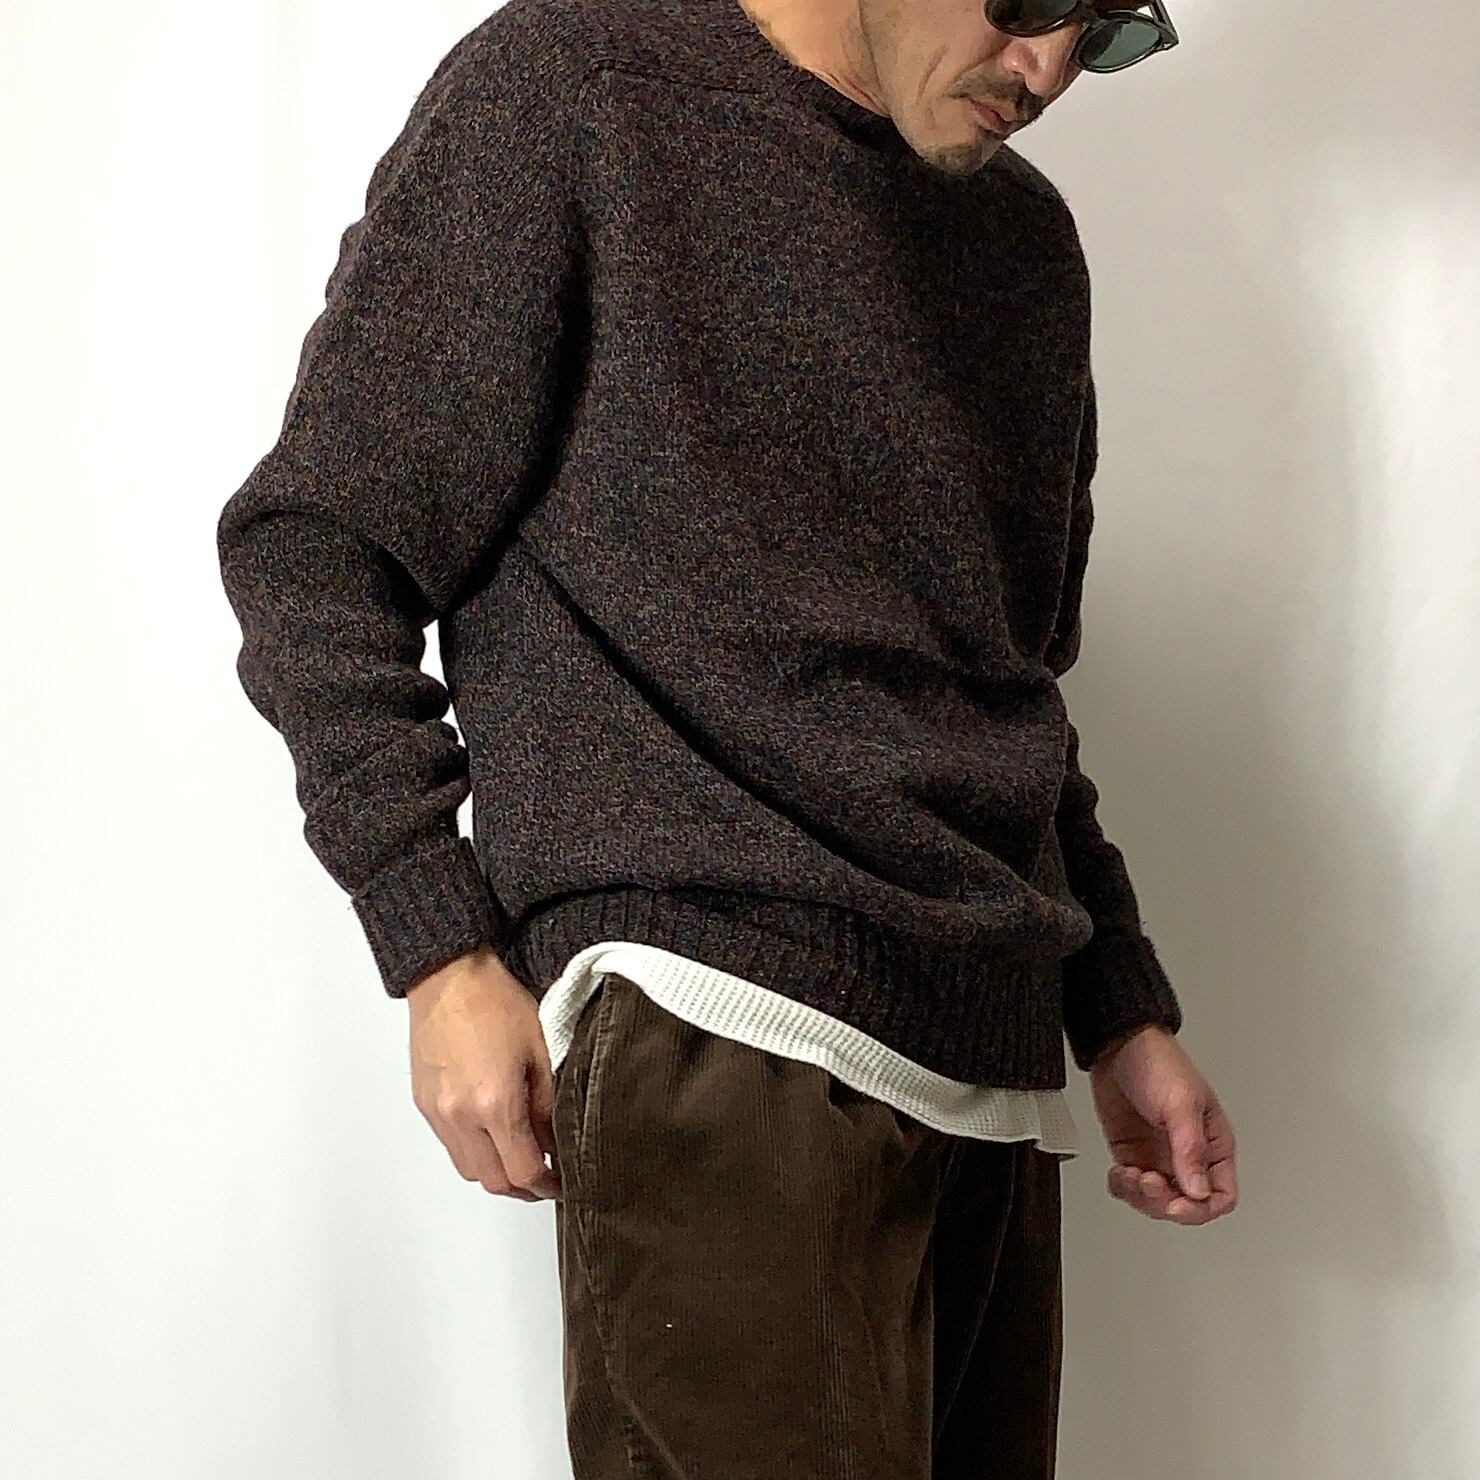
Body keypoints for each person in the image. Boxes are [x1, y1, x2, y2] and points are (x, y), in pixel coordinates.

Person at [216, 0, 1237, 1473]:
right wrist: (438, 946)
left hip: (996, 1084)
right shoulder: (575, 95)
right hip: (724, 1041)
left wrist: (1118, 1010)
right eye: (1028, 4)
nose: (1049, 70)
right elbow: (318, 540)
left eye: (1111, 31)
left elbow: (1008, 683)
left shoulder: (1024, 247)